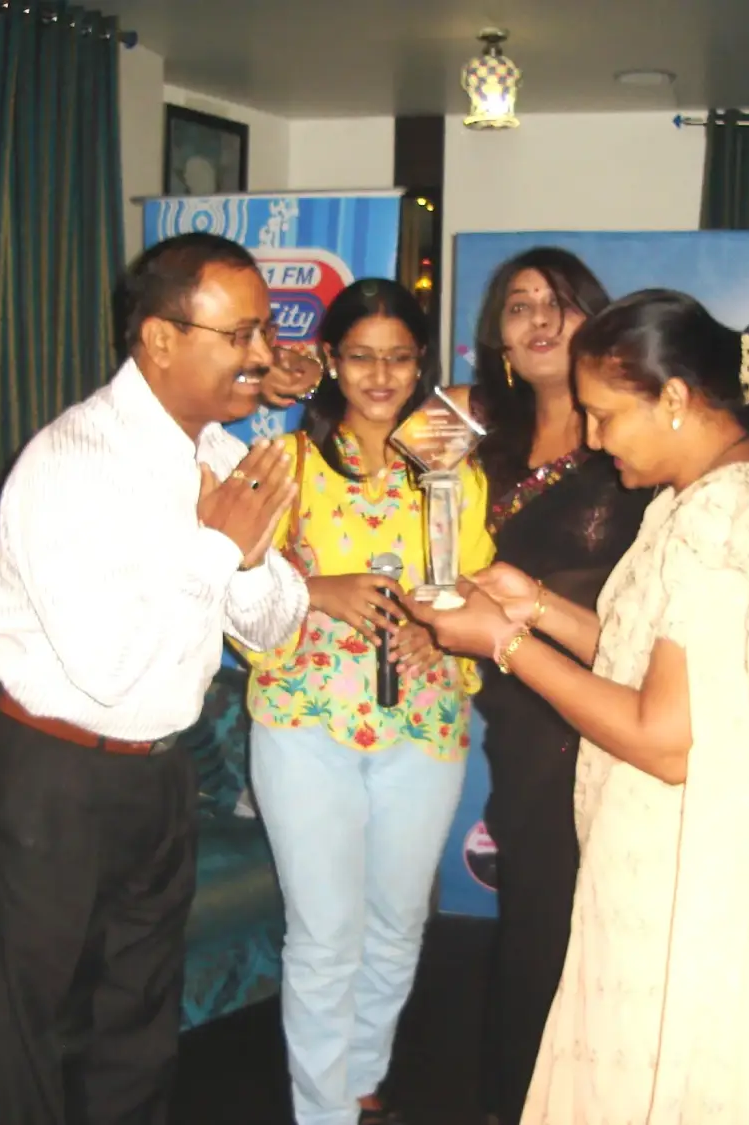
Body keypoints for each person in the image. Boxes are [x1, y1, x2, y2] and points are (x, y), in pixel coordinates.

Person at [411, 289, 749, 1125]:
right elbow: (659, 665)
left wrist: (504, 646)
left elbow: (664, 739)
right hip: (699, 850)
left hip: (700, 868)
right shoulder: (717, 493)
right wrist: (534, 605)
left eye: (604, 415)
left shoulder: (720, 514)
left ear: (677, 399)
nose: (590, 438)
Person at [0, 232, 310, 1125]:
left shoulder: (223, 455)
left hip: (156, 772)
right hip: (45, 777)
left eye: (262, 331)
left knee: (139, 1030)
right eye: (238, 336)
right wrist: (213, 546)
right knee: (42, 1036)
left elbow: (273, 627)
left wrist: (251, 560)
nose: (262, 357)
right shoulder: (73, 465)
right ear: (159, 338)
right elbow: (106, 668)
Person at [241, 279, 493, 1125]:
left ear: (421, 362)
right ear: (330, 362)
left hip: (423, 721)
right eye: (360, 356)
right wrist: (317, 587)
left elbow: (479, 582)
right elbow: (236, 590)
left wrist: (443, 630)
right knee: (323, 935)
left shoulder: (451, 459)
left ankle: (359, 1073)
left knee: (394, 924)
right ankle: (323, 1113)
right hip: (306, 717)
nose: (379, 375)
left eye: (398, 357)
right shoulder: (286, 460)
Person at [446, 248, 654, 1125]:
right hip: (514, 709)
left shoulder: (632, 444)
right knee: (534, 918)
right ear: (497, 335)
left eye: (560, 305)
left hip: (606, 709)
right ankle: (523, 1100)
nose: (539, 320)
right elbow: (359, 429)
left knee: (599, 927)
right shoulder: (476, 436)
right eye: (519, 304)